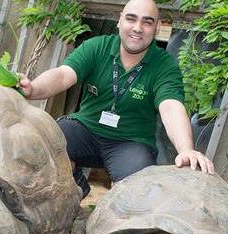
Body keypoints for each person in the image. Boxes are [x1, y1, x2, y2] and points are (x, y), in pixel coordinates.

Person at [19, 0, 214, 198]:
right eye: (131, 19)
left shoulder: (165, 66)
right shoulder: (97, 47)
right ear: (120, 20)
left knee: (136, 189)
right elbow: (63, 75)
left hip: (131, 143)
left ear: (157, 28)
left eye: (147, 22)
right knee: (44, 140)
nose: (138, 28)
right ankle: (75, 188)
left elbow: (171, 107)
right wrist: (32, 89)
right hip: (86, 129)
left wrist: (186, 149)